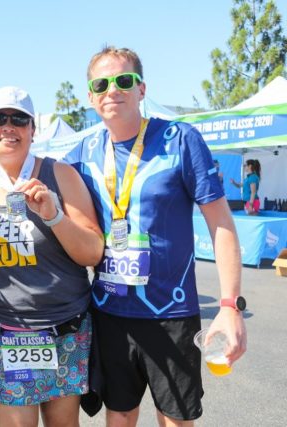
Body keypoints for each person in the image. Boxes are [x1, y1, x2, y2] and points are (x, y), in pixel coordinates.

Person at [64, 46, 247, 426]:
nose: (112, 89)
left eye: (123, 80)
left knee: (176, 419)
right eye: (102, 83)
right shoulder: (81, 153)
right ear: (91, 96)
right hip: (110, 311)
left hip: (172, 315)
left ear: (141, 89)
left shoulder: (180, 139)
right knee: (120, 415)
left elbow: (222, 225)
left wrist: (229, 306)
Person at [0, 86, 104, 427]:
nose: (8, 126)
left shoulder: (60, 175)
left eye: (19, 119)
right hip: (6, 333)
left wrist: (54, 215)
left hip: (64, 328)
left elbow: (93, 252)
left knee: (63, 425)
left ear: (32, 130)